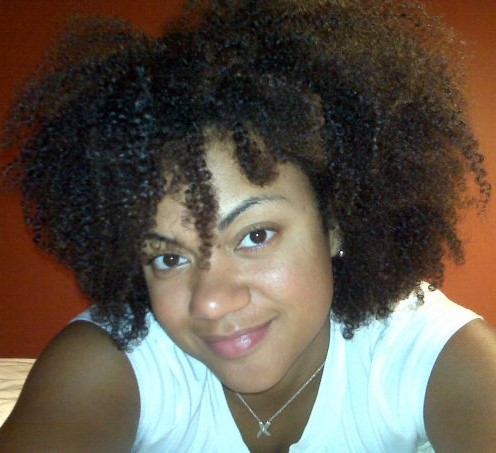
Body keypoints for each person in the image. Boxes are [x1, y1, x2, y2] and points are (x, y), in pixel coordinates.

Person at [0, 0, 495, 451]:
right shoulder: (117, 362)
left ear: (336, 223)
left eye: (256, 236)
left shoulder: (424, 352)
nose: (210, 302)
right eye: (169, 257)